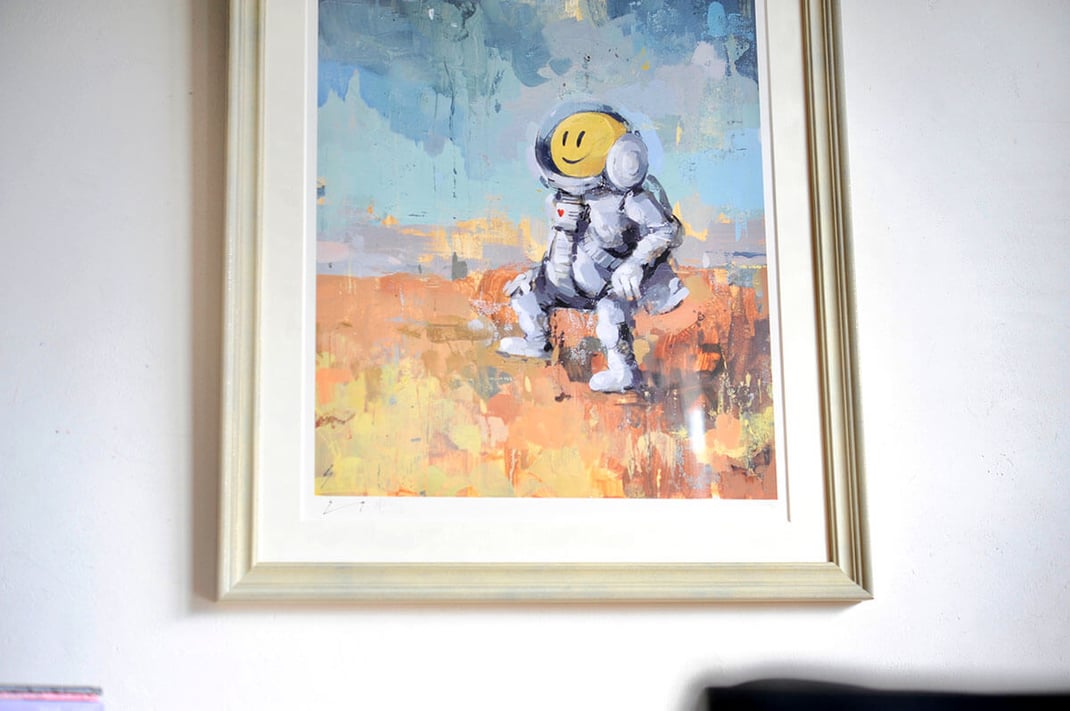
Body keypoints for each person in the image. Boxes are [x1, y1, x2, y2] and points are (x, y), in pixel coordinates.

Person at [498, 102, 688, 392]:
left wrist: (635, 263)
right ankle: (536, 342)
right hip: (565, 282)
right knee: (525, 291)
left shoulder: (631, 200)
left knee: (612, 312)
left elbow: (665, 230)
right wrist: (540, 273)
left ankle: (623, 372)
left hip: (610, 284)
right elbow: (559, 242)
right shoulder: (559, 199)